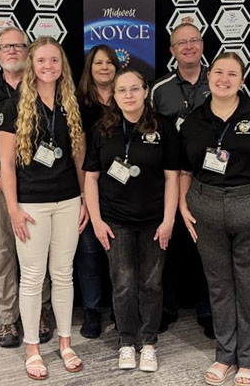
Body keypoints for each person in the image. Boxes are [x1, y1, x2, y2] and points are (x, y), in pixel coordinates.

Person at [179, 52, 250, 386]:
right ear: (208, 76)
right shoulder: (194, 120)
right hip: (206, 208)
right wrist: (185, 206)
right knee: (218, 286)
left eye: (232, 73)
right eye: (218, 72)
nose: (224, 79)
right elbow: (185, 169)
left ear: (242, 80)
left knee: (249, 285)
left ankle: (249, 359)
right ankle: (224, 355)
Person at [0, 36, 88, 380]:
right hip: (30, 204)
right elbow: (6, 165)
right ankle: (32, 348)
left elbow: (79, 156)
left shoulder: (70, 103)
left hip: (67, 201)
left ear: (62, 65)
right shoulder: (14, 106)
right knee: (33, 278)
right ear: (31, 66)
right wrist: (12, 209)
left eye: (54, 61)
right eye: (41, 61)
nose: (48, 67)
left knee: (63, 275)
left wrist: (82, 199)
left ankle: (65, 343)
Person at [83, 69, 179, 372]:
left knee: (151, 283)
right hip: (115, 221)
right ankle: (126, 341)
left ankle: (148, 342)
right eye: (121, 90)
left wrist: (168, 221)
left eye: (134, 89)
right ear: (114, 94)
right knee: (123, 283)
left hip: (154, 220)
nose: (128, 95)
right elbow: (91, 178)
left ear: (145, 91)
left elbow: (172, 178)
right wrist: (97, 221)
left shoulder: (163, 128)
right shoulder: (102, 129)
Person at [0, 26, 54, 348]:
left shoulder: (43, 86)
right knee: (1, 248)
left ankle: (41, 311)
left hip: (37, 181)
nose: (13, 51)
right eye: (6, 47)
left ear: (28, 51)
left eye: (19, 46)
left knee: (36, 249)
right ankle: (7, 319)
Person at [149, 22, 214, 337]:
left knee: (207, 246)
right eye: (181, 43)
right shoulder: (159, 89)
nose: (189, 47)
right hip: (170, 179)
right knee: (167, 245)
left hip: (210, 180)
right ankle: (167, 308)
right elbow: (146, 132)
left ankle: (207, 309)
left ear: (202, 45)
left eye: (194, 41)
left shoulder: (220, 80)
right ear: (172, 50)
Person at [74, 44, 119, 338]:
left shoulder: (128, 96)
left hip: (120, 190)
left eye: (109, 62)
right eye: (98, 63)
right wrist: (83, 198)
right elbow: (77, 151)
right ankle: (91, 311)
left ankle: (119, 308)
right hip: (86, 186)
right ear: (89, 68)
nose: (104, 67)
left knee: (118, 252)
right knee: (88, 251)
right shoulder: (78, 102)